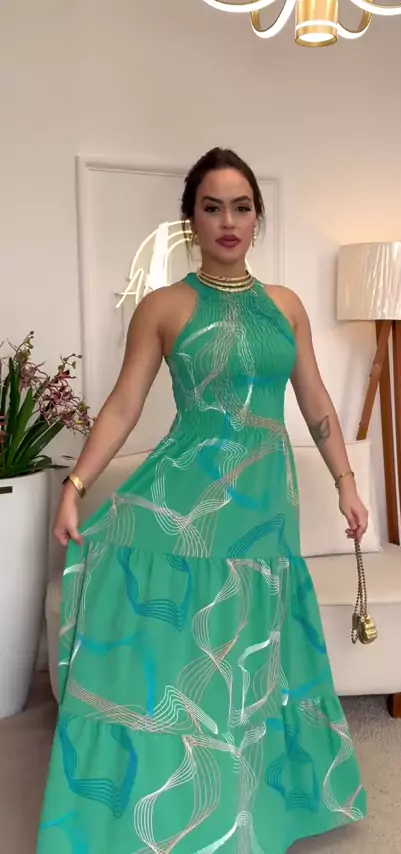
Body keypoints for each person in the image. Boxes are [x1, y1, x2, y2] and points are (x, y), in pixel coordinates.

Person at [37, 147, 368, 854]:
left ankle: (253, 809)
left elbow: (314, 399)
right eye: (212, 207)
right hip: (186, 492)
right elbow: (125, 405)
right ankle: (172, 807)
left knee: (254, 646)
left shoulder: (286, 306)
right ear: (191, 219)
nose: (228, 221)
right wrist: (75, 486)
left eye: (241, 207)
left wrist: (345, 480)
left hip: (262, 502)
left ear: (258, 217)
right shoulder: (164, 306)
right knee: (191, 648)